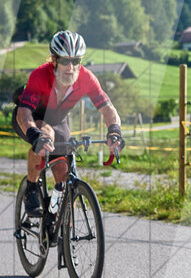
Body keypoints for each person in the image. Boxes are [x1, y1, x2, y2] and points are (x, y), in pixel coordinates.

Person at [13, 30, 123, 216]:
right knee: (45, 134)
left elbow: (108, 108)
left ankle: (62, 223)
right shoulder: (40, 75)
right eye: (65, 61)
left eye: (76, 61)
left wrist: (114, 131)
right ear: (54, 60)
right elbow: (24, 112)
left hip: (58, 121)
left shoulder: (86, 78)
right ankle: (31, 187)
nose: (70, 67)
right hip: (30, 119)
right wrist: (33, 134)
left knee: (64, 172)